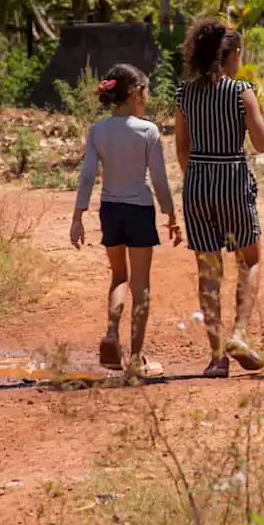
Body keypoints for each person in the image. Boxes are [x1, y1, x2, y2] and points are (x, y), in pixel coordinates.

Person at [71, 64, 182, 381]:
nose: (147, 98)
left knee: (119, 277)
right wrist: (171, 214)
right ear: (135, 93)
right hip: (139, 210)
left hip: (110, 209)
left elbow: (89, 175)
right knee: (141, 285)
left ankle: (110, 332)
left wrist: (78, 217)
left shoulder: (98, 131)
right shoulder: (147, 131)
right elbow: (159, 180)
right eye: (145, 91)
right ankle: (135, 358)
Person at [174, 19, 264, 378]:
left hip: (197, 181)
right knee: (250, 259)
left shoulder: (184, 94)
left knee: (208, 271)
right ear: (232, 55)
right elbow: (261, 144)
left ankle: (217, 357)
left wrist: (197, 180)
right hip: (231, 175)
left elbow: (181, 148)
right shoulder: (241, 91)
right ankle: (240, 334)